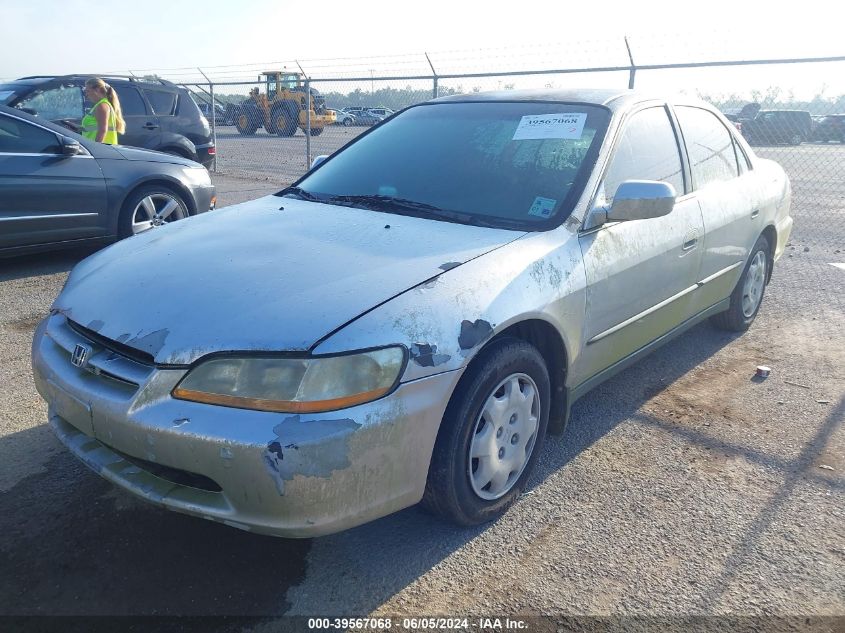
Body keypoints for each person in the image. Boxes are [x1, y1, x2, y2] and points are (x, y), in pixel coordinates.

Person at [81, 78, 125, 144]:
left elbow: (102, 130)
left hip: (101, 149)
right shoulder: (101, 105)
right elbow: (92, 127)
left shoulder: (102, 106)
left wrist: (96, 147)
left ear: (97, 90)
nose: (86, 94)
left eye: (88, 91)